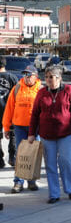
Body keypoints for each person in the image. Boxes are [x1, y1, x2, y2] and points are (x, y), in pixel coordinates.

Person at [28, 66, 71, 204]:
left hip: (65, 133)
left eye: (51, 77)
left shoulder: (68, 90)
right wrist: (31, 134)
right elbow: (35, 114)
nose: (48, 80)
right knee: (50, 165)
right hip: (46, 135)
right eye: (46, 77)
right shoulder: (41, 93)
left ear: (59, 78)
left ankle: (70, 189)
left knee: (66, 161)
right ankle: (54, 194)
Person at [2, 65, 41, 193]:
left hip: (35, 128)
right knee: (21, 155)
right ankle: (18, 183)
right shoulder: (17, 88)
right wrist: (6, 127)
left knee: (33, 155)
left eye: (29, 75)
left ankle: (31, 181)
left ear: (36, 76)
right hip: (19, 127)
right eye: (25, 74)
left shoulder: (41, 90)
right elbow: (9, 109)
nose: (27, 77)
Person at [0, 58, 19, 169]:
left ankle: (0, 160)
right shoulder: (12, 77)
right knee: (12, 133)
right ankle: (12, 157)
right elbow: (18, 94)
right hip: (10, 109)